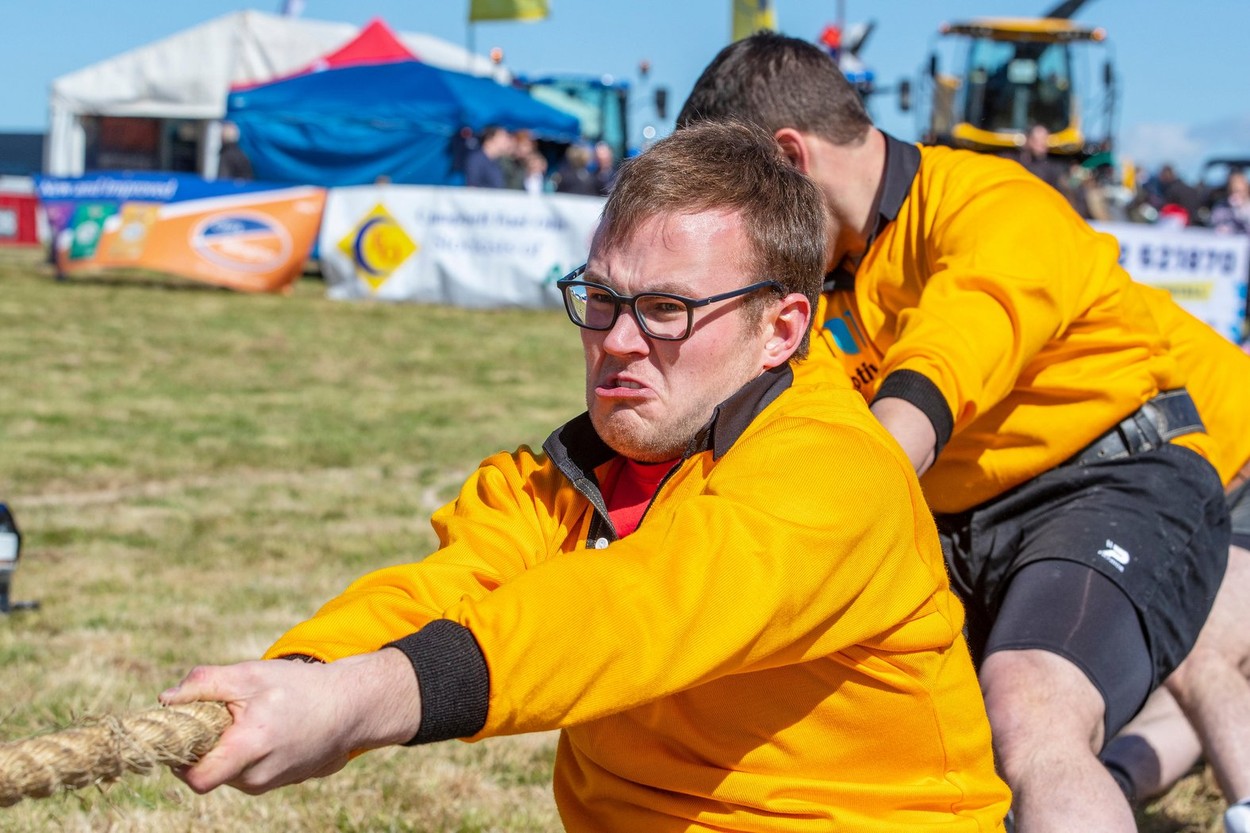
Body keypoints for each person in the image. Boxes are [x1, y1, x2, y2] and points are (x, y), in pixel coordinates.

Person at [161, 120, 1011, 832]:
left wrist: (359, 701)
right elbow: (449, 586)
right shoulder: (562, 479)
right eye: (600, 298)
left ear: (781, 328)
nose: (619, 340)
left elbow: (636, 607)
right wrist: (305, 674)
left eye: (668, 310)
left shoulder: (833, 471)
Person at [677, 33, 1230, 832]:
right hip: (952, 518)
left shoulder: (991, 200)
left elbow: (949, 361)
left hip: (1114, 480)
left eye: (740, 205)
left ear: (789, 158)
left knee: (1029, 705)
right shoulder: (819, 283)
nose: (740, 239)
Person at [1099, 288, 1250, 833]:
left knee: (1201, 656)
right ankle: (1107, 784)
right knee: (1203, 678)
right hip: (1209, 471)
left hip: (1236, 459)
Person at [1016, 124, 1068, 197]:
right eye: (1037, 140)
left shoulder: (1054, 168)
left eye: (1044, 139)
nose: (1042, 143)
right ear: (1029, 140)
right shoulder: (1016, 163)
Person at [463, 125, 511, 189]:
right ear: (489, 138)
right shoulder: (476, 159)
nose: (506, 140)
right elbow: (471, 187)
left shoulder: (498, 161)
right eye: (502, 137)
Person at [1210, 169, 1250, 235]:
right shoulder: (1221, 207)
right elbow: (1214, 222)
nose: (1237, 195)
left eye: (1240, 191)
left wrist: (1240, 210)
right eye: (1234, 190)